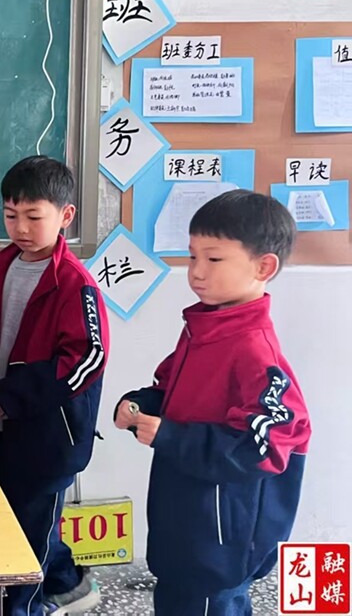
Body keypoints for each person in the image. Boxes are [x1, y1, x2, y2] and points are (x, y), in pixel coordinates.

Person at [115, 190, 312, 615]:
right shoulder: (204, 327)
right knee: (176, 598)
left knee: (207, 603)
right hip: (182, 524)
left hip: (219, 542)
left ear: (263, 267)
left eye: (214, 259)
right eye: (192, 257)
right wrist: (139, 404)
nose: (197, 272)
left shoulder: (256, 350)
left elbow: (264, 447)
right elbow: (172, 389)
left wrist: (171, 436)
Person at [0, 156, 107, 615]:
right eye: (10, 215)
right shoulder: (1, 265)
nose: (20, 228)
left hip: (49, 436)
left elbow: (87, 358)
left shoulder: (74, 283)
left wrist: (14, 396)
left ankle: (22, 607)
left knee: (28, 526)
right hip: (0, 424)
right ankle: (68, 582)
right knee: (19, 515)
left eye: (33, 216)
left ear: (66, 216)